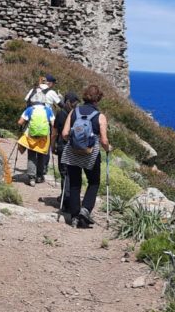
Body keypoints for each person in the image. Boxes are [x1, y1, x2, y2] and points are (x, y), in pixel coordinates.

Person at [60, 84, 112, 228]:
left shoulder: (74, 112)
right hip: (91, 154)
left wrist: (74, 141)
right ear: (98, 98)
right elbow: (104, 140)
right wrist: (108, 148)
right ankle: (85, 210)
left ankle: (75, 216)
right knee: (94, 182)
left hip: (73, 152)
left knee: (75, 183)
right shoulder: (100, 116)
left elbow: (64, 134)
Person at [25, 75, 62, 182]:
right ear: (50, 83)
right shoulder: (52, 92)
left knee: (31, 149)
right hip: (46, 124)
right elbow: (62, 105)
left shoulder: (33, 90)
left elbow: (26, 101)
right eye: (54, 83)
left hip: (31, 123)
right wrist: (60, 98)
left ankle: (32, 174)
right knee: (44, 149)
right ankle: (41, 172)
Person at [17, 102, 55, 187]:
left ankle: (31, 178)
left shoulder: (30, 109)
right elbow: (53, 124)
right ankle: (39, 176)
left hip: (31, 136)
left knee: (31, 156)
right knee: (41, 155)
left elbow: (20, 122)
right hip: (44, 137)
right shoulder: (48, 110)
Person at [53, 92, 79, 207]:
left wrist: (51, 146)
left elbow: (54, 132)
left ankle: (66, 200)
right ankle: (69, 198)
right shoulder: (77, 114)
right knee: (72, 174)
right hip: (75, 147)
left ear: (66, 101)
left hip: (62, 146)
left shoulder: (61, 114)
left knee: (64, 173)